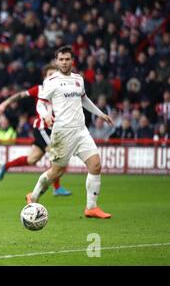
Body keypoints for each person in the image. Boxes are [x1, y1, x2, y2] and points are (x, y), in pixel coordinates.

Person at [26, 45, 114, 219]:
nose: (64, 62)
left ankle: (91, 207)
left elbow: (84, 100)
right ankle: (34, 195)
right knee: (56, 172)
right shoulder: (51, 81)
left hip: (81, 130)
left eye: (67, 59)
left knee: (95, 165)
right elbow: (40, 103)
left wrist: (101, 113)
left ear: (73, 61)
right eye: (61, 59)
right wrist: (46, 116)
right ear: (57, 61)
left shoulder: (78, 79)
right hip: (62, 132)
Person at [0, 63, 72, 196]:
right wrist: (4, 104)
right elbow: (20, 96)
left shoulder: (62, 92)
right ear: (45, 77)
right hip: (43, 128)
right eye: (50, 75)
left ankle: (6, 166)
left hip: (54, 129)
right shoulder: (40, 89)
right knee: (57, 156)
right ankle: (56, 188)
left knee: (32, 159)